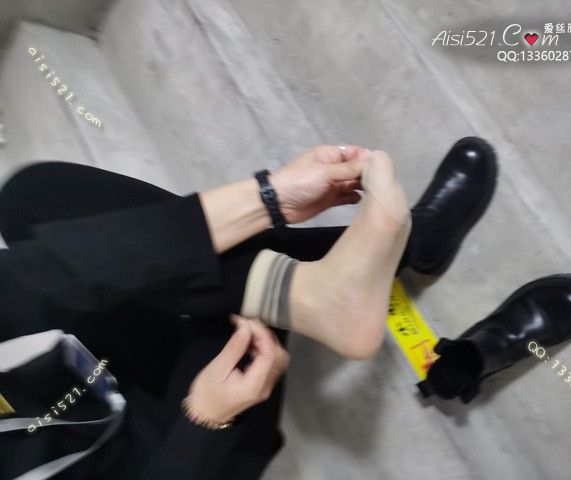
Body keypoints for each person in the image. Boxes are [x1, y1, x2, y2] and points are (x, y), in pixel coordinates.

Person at [0, 138, 497, 479]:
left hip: (101, 375)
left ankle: (318, 290)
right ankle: (402, 248)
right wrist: (203, 424)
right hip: (176, 451)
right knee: (217, 291)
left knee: (32, 199)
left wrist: (266, 199)